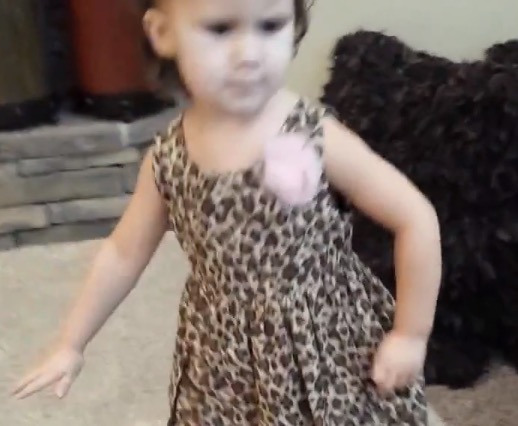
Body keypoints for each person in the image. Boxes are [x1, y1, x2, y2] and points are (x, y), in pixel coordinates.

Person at [11, 0, 442, 424]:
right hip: (222, 355)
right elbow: (123, 253)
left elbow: (414, 217)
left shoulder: (314, 136)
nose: (249, 54)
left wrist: (410, 334)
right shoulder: (169, 158)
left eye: (270, 25)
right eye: (219, 30)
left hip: (324, 344)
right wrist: (71, 342)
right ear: (162, 33)